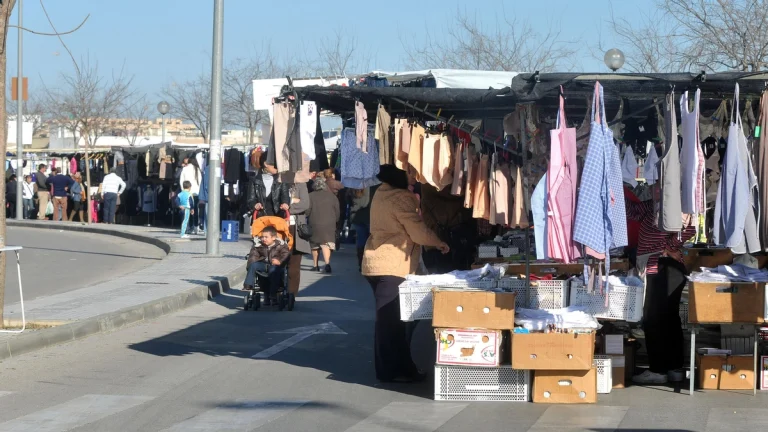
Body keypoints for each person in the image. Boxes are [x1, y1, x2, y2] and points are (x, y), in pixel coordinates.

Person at [362, 164, 449, 383]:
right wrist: (438, 243)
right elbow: (417, 231)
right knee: (391, 322)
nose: (414, 177)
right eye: (409, 172)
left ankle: (398, 369)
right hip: (392, 264)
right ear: (398, 174)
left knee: (389, 321)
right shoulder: (402, 197)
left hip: (376, 262)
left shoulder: (381, 192)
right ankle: (392, 371)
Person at [626, 198, 695, 385]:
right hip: (657, 265)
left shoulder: (678, 201)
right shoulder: (654, 202)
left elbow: (690, 228)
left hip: (665, 265)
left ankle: (659, 369)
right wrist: (615, 191)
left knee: (654, 318)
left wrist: (669, 247)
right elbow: (634, 211)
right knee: (667, 318)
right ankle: (673, 368)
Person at [244, 226, 291, 304]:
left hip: (275, 266)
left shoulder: (281, 245)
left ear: (273, 238)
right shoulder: (258, 246)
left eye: (266, 237)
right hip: (263, 265)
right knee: (253, 265)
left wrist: (280, 261)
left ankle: (273, 293)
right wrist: (250, 267)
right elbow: (253, 257)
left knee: (273, 271)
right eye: (262, 237)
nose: (263, 239)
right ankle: (248, 285)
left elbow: (286, 255)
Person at [308, 176, 340, 273]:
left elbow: (307, 211)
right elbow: (337, 211)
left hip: (315, 223)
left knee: (314, 245)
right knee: (325, 244)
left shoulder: (310, 196)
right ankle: (327, 263)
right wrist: (336, 221)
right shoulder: (332, 196)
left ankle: (315, 265)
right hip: (329, 224)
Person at [287, 181, 311, 296]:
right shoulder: (278, 182)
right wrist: (295, 201)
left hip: (296, 228)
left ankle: (291, 294)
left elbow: (305, 204)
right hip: (280, 226)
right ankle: (273, 293)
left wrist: (288, 206)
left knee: (294, 264)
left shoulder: (301, 184)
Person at [348, 187, 374, 270]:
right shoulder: (368, 187)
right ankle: (368, 262)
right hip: (368, 217)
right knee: (370, 241)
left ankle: (361, 263)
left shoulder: (352, 187)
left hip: (356, 217)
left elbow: (348, 201)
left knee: (360, 240)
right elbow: (365, 203)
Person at [179, 157, 202, 234]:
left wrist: (183, 190)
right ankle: (195, 227)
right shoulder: (197, 169)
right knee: (195, 210)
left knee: (187, 210)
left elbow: (181, 180)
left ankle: (188, 227)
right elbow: (200, 181)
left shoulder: (185, 169)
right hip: (196, 192)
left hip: (187, 192)